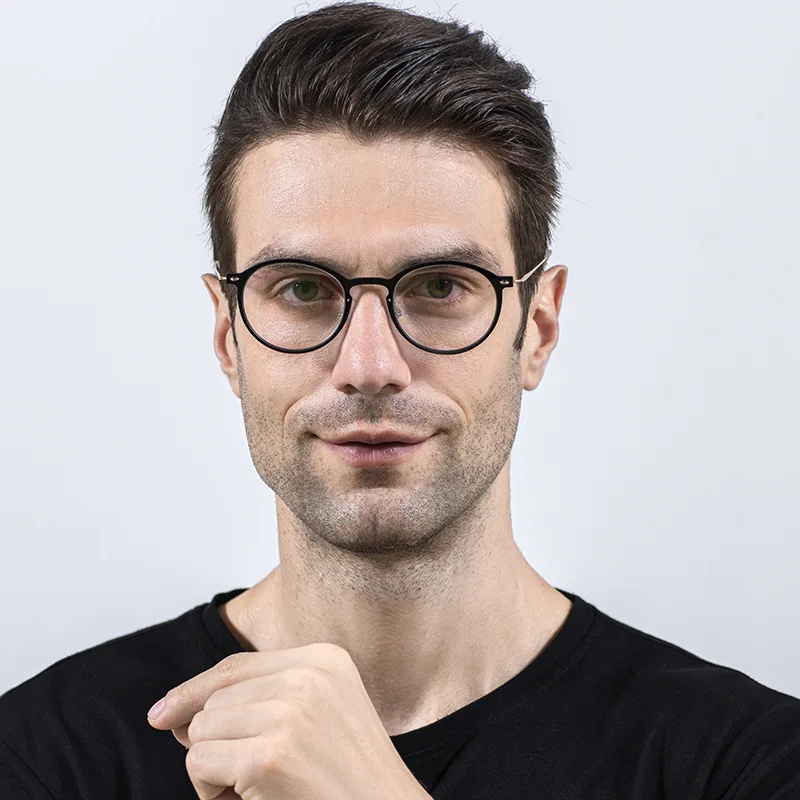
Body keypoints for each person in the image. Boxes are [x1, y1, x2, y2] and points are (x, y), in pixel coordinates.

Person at [2, 2, 798, 798]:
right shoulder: (43, 759)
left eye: (441, 286)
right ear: (228, 335)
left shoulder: (750, 765)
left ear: (538, 327)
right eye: (303, 289)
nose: (370, 366)